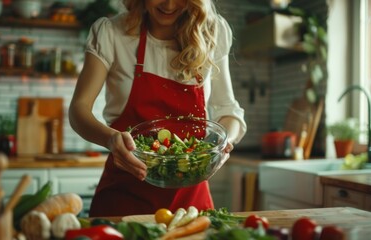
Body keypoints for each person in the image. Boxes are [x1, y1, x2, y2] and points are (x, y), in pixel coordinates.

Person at [69, 0, 247, 217]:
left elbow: (228, 110)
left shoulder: (211, 31)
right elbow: (79, 109)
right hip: (124, 199)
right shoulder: (112, 33)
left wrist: (221, 144)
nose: (170, 4)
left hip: (191, 206)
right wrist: (110, 140)